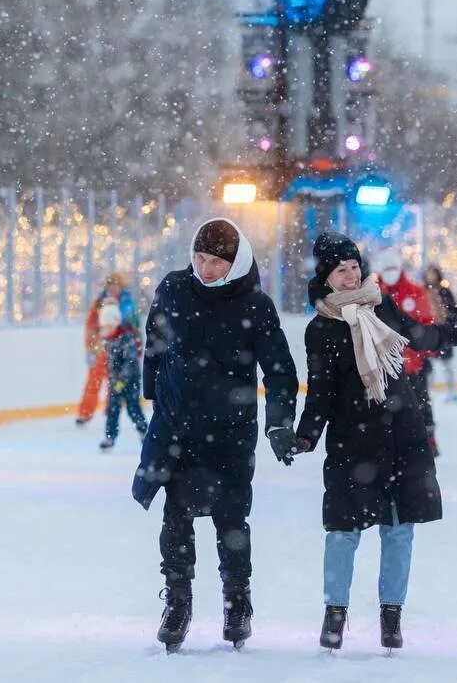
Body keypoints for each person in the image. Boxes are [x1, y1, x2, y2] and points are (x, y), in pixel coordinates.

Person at [295, 233, 457, 652]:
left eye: (355, 266)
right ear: (326, 277)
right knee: (343, 531)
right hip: (352, 441)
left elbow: (422, 338)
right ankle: (335, 613)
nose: (352, 274)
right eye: (341, 270)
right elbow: (320, 391)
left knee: (398, 529)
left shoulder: (382, 304)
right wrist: (304, 434)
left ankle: (391, 616)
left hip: (399, 432)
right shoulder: (320, 328)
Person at [133, 218, 299, 653]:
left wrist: (279, 421)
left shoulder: (255, 306)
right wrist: (156, 395)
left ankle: (237, 601)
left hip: (230, 431)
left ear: (236, 263)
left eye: (215, 262)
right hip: (179, 427)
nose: (204, 269)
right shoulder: (173, 289)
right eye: (200, 259)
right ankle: (178, 603)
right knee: (176, 516)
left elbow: (279, 370)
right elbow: (154, 343)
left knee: (231, 518)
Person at [374, 250, 440, 457]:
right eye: (387, 269)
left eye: (393, 268)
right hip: (385, 364)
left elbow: (427, 323)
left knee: (421, 402)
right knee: (386, 407)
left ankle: (428, 438)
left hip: (413, 361)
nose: (391, 273)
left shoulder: (415, 291)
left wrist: (429, 349)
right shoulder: (375, 294)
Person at [95, 273, 147, 451]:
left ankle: (144, 433)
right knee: (112, 409)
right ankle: (110, 438)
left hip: (129, 380)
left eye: (109, 326)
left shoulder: (126, 337)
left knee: (133, 409)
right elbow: (111, 362)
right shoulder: (109, 340)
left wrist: (122, 380)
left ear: (115, 323)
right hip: (116, 380)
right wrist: (113, 380)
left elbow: (131, 362)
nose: (106, 330)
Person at [423, 264, 457, 403]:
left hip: (443, 332)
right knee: (427, 367)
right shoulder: (422, 291)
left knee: (448, 366)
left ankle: (452, 393)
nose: (430, 276)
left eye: (432, 273)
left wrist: (448, 324)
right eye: (428, 273)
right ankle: (426, 394)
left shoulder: (445, 292)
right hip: (428, 333)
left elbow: (454, 311)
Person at [74, 287, 110, 426]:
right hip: (99, 350)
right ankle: (85, 413)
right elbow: (90, 327)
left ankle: (110, 411)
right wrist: (90, 348)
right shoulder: (98, 305)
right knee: (93, 383)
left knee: (113, 383)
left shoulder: (123, 303)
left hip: (114, 350)